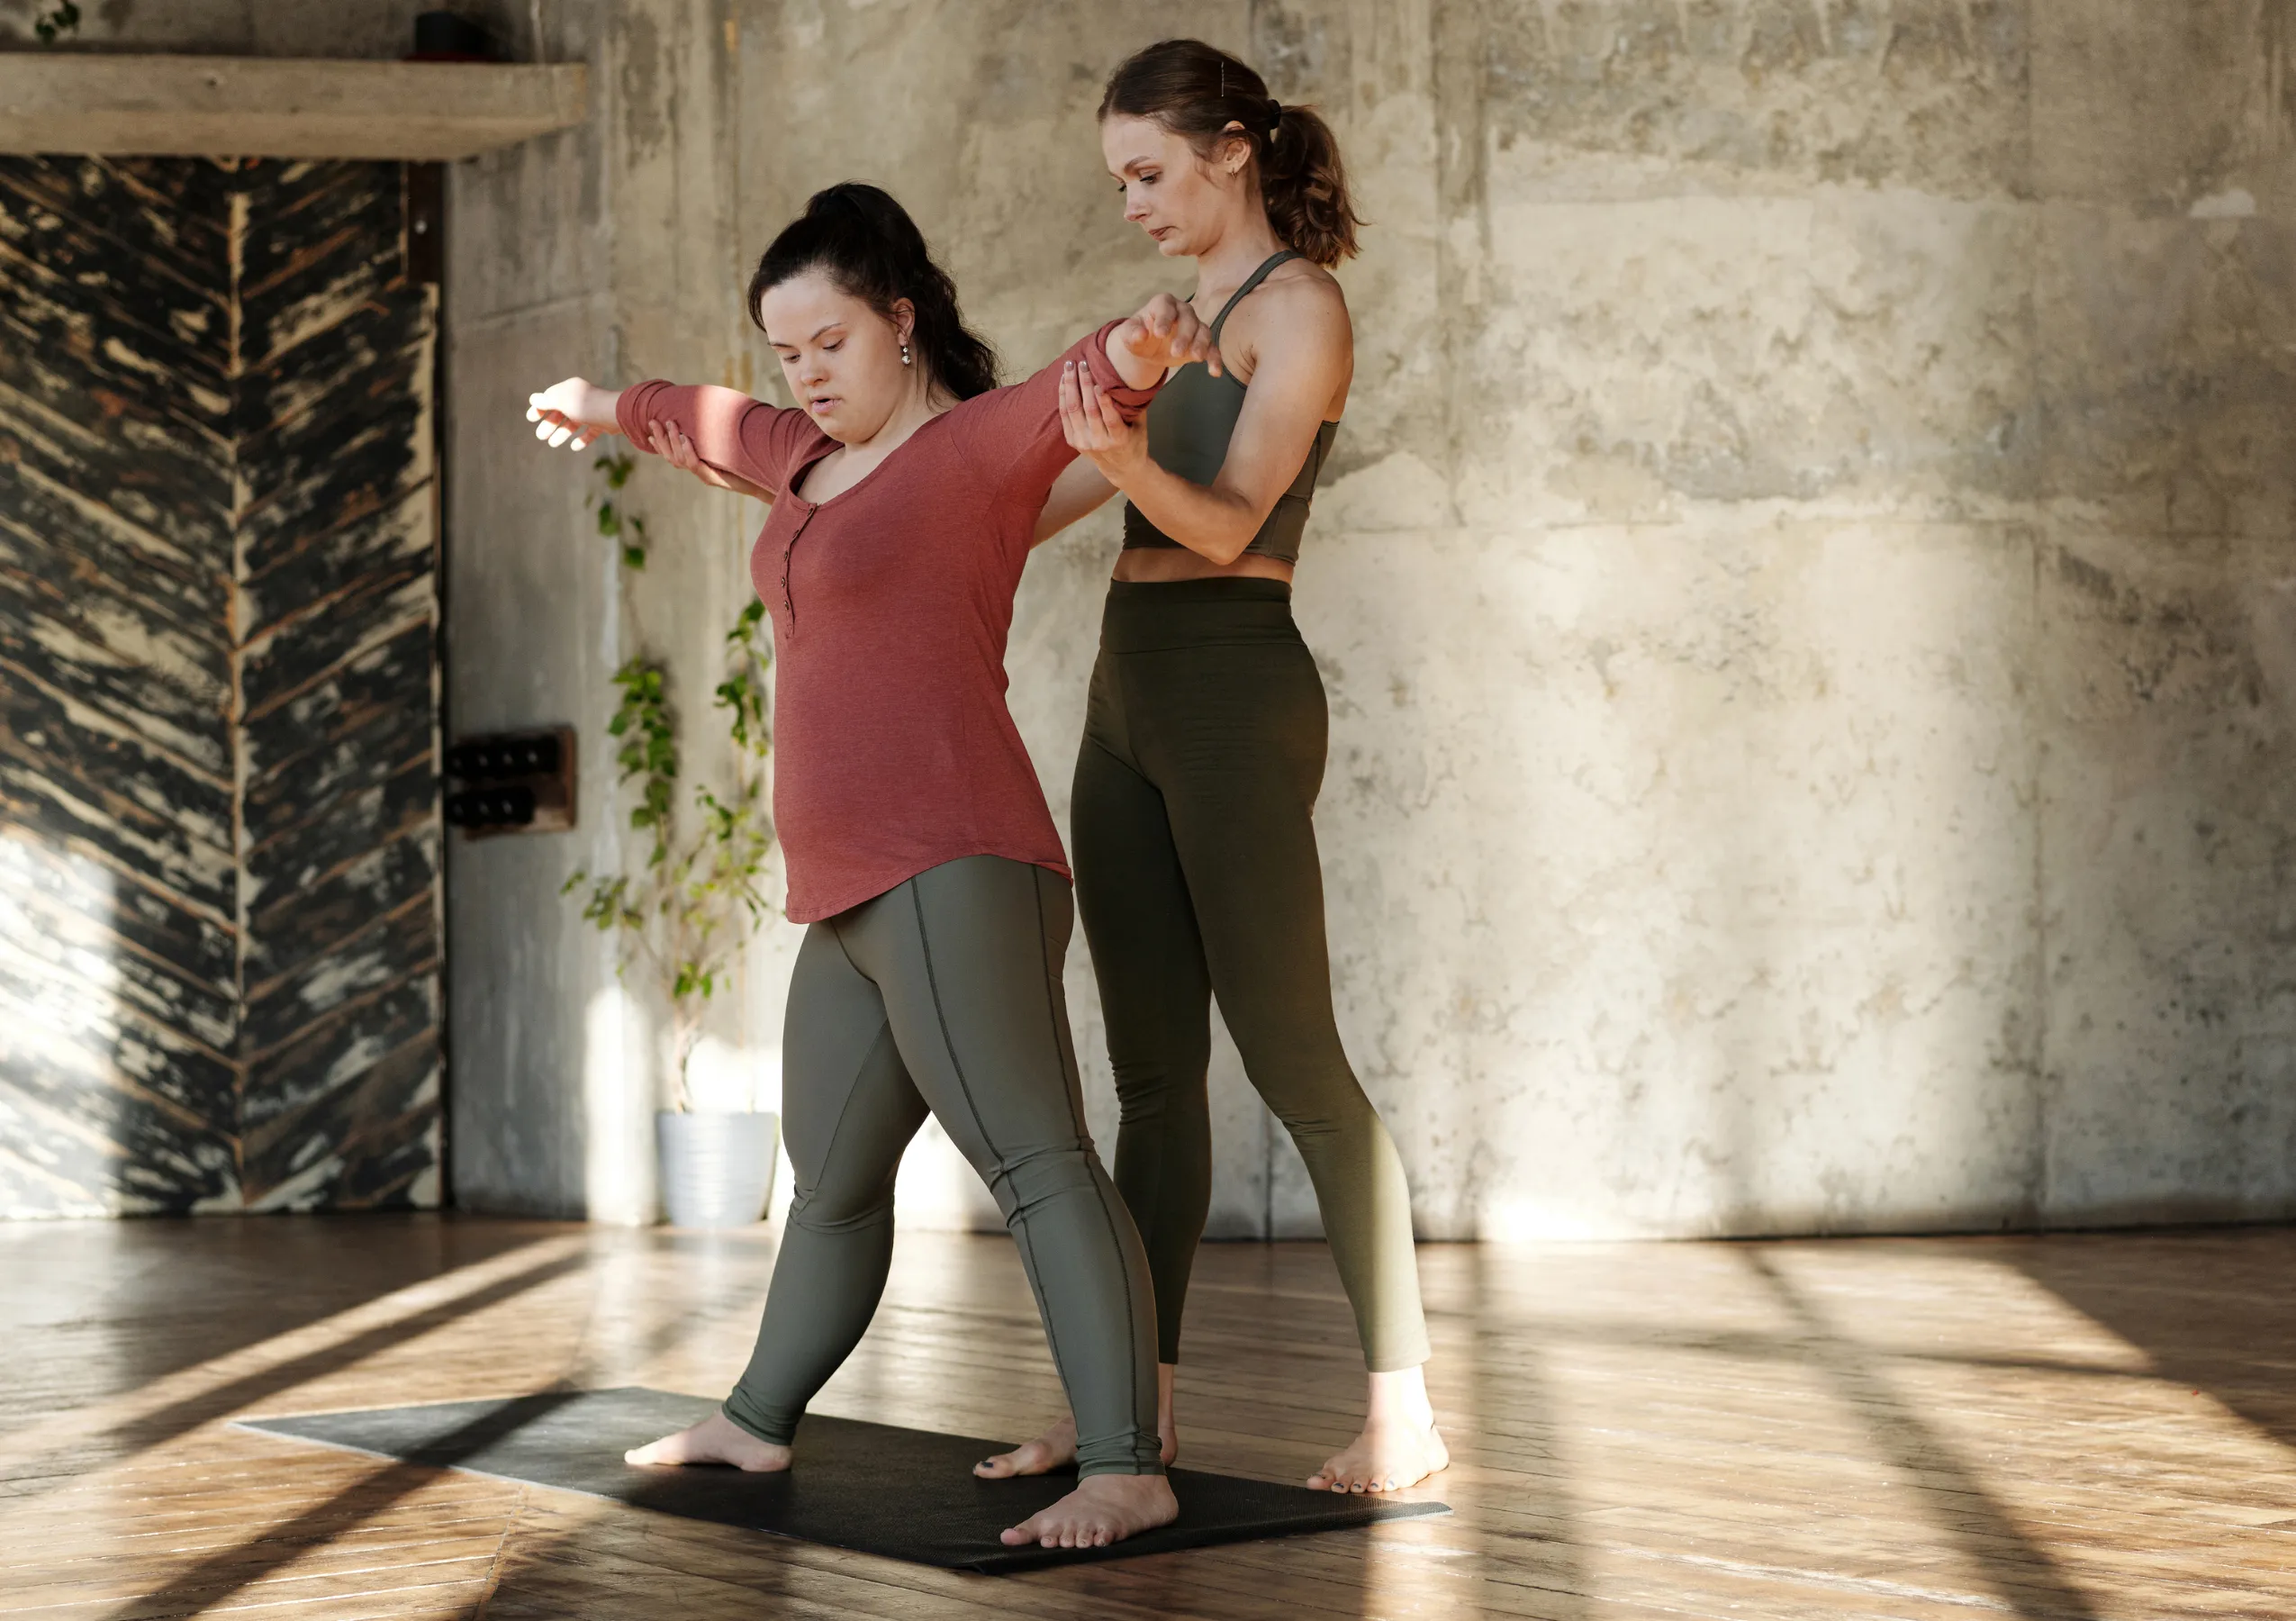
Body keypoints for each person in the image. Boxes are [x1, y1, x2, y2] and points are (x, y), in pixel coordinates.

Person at [522, 182, 1217, 1550]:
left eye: (830, 342)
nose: (807, 372)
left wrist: (1146, 343)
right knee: (830, 1181)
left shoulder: (969, 452)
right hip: (843, 892)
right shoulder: (798, 457)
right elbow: (702, 418)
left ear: (901, 321)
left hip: (955, 862)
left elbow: (1086, 381)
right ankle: (755, 1418)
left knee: (1035, 1162)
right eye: (788, 350)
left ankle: (1129, 1466)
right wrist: (598, 404)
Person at [976, 38, 1448, 1497]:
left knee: (1295, 1062)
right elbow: (1038, 502)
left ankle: (1404, 1413)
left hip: (1234, 690)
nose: (1129, 204)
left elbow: (1235, 518)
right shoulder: (1175, 322)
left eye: (1145, 173)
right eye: (1117, 180)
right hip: (1126, 688)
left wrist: (1121, 448)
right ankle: (1135, 1411)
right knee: (1149, 1083)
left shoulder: (1299, 309)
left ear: (1229, 149)